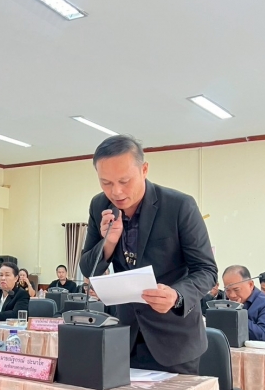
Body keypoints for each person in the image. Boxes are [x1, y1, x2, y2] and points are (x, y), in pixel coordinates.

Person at [79, 135, 217, 375]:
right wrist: (109, 241)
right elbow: (87, 269)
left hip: (175, 341)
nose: (116, 191)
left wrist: (176, 295)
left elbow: (207, 270)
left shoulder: (179, 206)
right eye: (106, 182)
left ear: (144, 170)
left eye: (124, 181)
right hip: (125, 338)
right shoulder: (99, 205)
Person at [222, 265, 265, 342]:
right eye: (227, 290)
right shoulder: (225, 303)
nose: (232, 295)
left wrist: (236, 316)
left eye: (236, 289)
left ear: (250, 285)